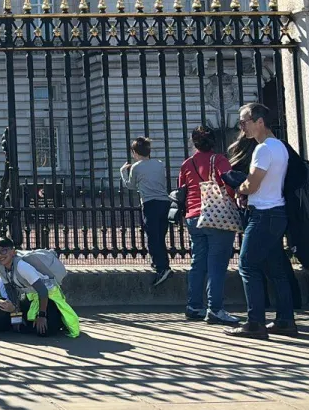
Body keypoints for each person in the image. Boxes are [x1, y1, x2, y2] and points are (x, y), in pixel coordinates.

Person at [226, 103, 298, 339]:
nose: (242, 127)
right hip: (277, 212)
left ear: (260, 122)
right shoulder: (280, 147)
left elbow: (253, 184)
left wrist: (240, 187)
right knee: (276, 269)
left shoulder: (263, 149)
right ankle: (285, 320)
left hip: (263, 213)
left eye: (244, 121)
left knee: (247, 265)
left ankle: (255, 322)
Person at [179, 126, 240, 325]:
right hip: (216, 215)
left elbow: (182, 189)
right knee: (217, 264)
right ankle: (215, 309)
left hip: (193, 215)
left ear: (194, 142)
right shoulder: (219, 160)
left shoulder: (187, 163)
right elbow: (228, 181)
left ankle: (194, 306)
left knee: (198, 262)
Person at [0, 237, 80, 338]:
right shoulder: (0, 267)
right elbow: (10, 291)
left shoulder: (22, 266)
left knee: (43, 330)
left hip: (48, 298)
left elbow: (43, 291)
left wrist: (41, 316)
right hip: (31, 297)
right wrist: (16, 316)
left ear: (13, 252)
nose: (0, 255)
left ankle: (58, 319)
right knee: (7, 318)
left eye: (3, 251)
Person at [121, 137, 171, 287]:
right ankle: (164, 264)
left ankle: (161, 267)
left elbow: (130, 186)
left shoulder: (136, 167)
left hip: (150, 203)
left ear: (135, 152)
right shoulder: (159, 164)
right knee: (160, 235)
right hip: (165, 202)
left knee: (152, 237)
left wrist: (123, 172)